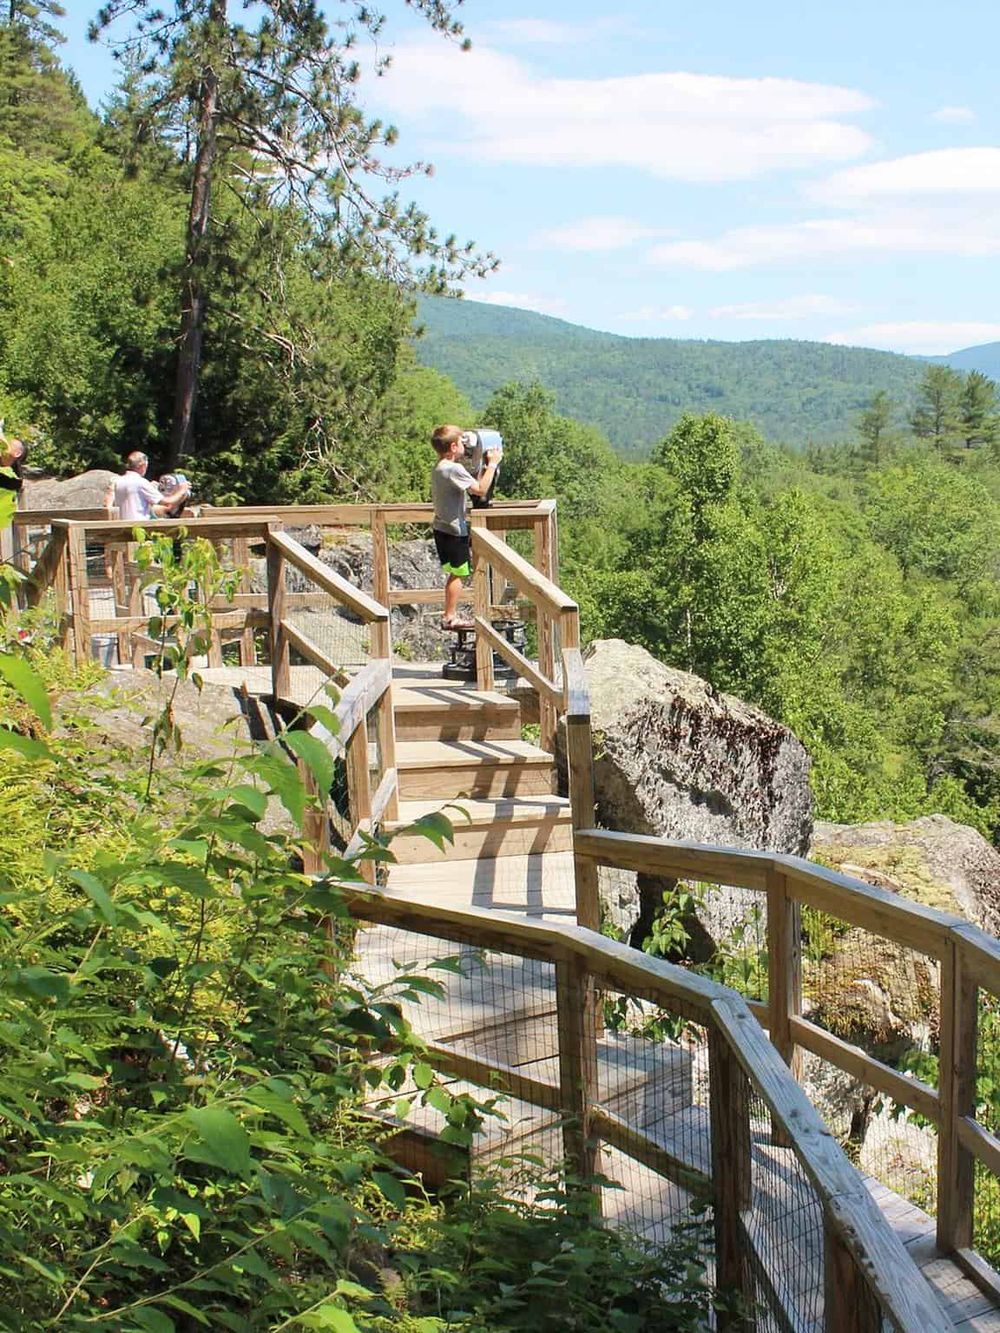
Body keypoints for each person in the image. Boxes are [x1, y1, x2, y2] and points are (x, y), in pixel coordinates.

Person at [431, 424, 500, 630]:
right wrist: (492, 465)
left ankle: (449, 614)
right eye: (462, 443)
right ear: (453, 447)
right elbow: (480, 490)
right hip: (453, 530)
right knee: (459, 573)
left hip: (441, 527)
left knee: (455, 573)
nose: (465, 446)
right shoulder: (453, 469)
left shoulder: (440, 467)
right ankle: (449, 616)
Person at [107, 452, 188, 522]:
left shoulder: (118, 481)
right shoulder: (141, 482)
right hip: (139, 527)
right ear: (142, 466)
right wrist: (182, 490)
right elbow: (167, 502)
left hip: (122, 526)